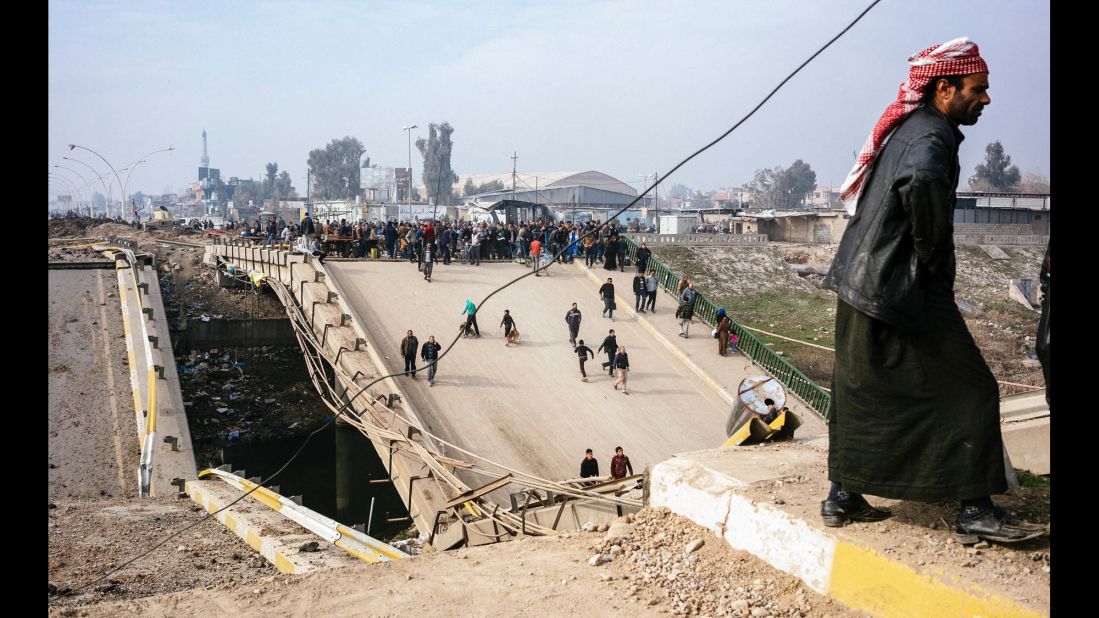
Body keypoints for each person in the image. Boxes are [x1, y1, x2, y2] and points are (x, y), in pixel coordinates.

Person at [820, 38, 1041, 543]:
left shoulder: (912, 127)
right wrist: (934, 252)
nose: (985, 100)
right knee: (970, 387)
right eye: (977, 90)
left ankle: (843, 494)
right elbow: (920, 183)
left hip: (859, 281)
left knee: (864, 389)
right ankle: (975, 509)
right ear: (945, 88)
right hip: (902, 287)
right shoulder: (931, 139)